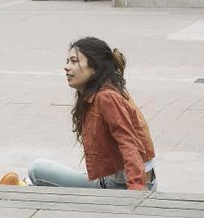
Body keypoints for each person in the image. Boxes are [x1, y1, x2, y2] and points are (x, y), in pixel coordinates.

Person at [28, 37, 157, 191]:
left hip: (122, 187)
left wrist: (135, 190)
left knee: (36, 170)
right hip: (116, 182)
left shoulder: (106, 97)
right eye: (67, 61)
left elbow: (129, 144)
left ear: (95, 68)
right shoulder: (101, 93)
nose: (66, 67)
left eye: (74, 61)